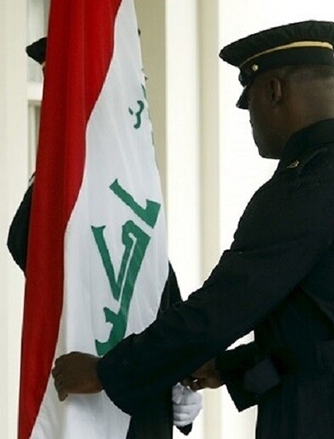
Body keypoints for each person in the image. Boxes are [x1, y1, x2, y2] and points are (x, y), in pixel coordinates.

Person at [50, 20, 334, 439]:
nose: (250, 121)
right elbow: (316, 332)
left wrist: (107, 371)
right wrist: (226, 367)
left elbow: (223, 307)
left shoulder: (306, 184)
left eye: (250, 103)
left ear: (274, 90)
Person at [8, 37, 201, 438]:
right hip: (80, 400)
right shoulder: (56, 195)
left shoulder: (134, 183)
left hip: (142, 405)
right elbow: (28, 247)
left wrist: (181, 380)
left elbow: (158, 286)